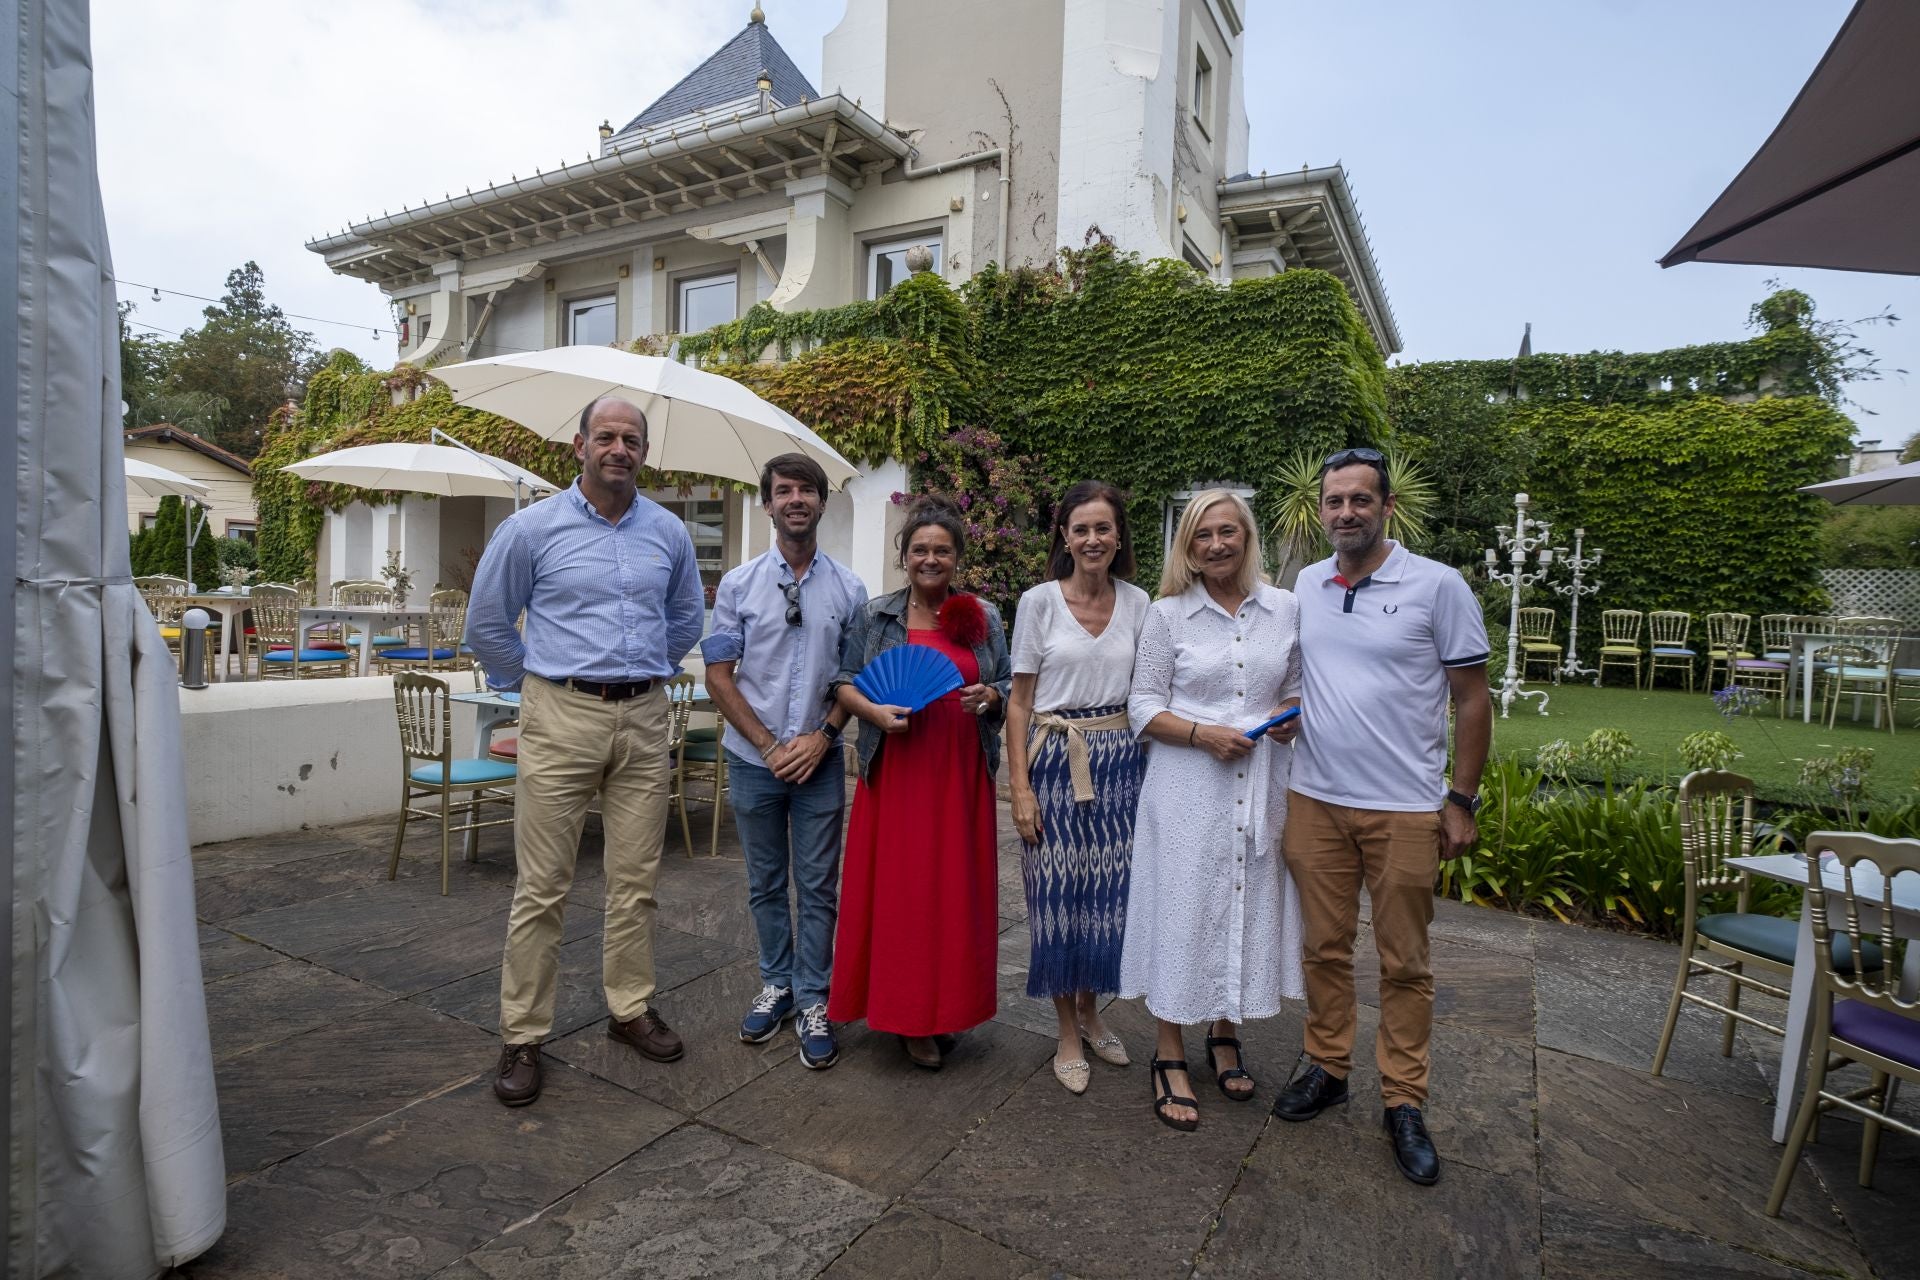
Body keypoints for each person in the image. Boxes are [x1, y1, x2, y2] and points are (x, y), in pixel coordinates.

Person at [465, 395, 705, 1108]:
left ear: (643, 452)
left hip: (642, 716)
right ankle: (523, 1033)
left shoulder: (668, 531)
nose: (619, 449)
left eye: (632, 438)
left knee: (636, 882)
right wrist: (536, 683)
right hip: (560, 713)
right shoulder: (531, 529)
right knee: (542, 887)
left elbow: (687, 613)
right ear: (579, 445)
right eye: (607, 436)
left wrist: (641, 673)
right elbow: (487, 623)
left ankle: (629, 1009)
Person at [1274, 446, 1491, 1188]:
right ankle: (1329, 1067)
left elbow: (1472, 699)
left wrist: (1459, 800)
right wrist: (1286, 716)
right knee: (1323, 950)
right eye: (1334, 501)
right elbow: (1310, 677)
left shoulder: (1438, 586)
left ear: (1386, 506)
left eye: (1359, 501)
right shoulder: (1306, 581)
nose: (1344, 513)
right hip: (1316, 798)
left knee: (1406, 964)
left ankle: (1403, 1100)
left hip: (1403, 808)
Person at [1123, 490, 1305, 1130]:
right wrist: (1204, 734)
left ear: (1247, 537)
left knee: (1243, 899)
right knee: (1184, 906)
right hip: (1186, 786)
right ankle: (1169, 1047)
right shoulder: (1168, 615)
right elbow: (1142, 706)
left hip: (1261, 784)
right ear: (1188, 548)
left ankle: (1224, 1030)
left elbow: (1295, 685)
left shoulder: (1284, 609)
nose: (1217, 545)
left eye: (1228, 532)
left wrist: (1290, 717)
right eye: (1203, 536)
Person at [828, 495, 1010, 1070]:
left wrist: (991, 697)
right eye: (920, 549)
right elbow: (843, 681)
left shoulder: (984, 615)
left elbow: (1004, 683)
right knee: (904, 893)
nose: (930, 559)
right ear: (903, 556)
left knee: (954, 893)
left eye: (943, 550)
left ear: (957, 558)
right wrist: (874, 714)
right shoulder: (876, 615)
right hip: (900, 767)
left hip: (959, 772)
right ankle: (908, 1016)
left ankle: (948, 1007)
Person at [700, 453, 867, 1070]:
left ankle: (815, 999)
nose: (795, 499)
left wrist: (823, 737)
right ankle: (777, 984)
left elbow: (854, 679)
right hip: (753, 760)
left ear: (822, 503)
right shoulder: (738, 586)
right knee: (765, 883)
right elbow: (719, 678)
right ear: (767, 504)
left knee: (819, 887)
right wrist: (770, 747)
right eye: (783, 491)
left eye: (806, 490)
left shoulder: (850, 591)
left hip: (819, 760)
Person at [1005, 482, 1150, 1094]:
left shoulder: (1142, 603)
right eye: (1081, 529)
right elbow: (1017, 705)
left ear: (1119, 538)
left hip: (1121, 761)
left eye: (1103, 529)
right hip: (1054, 758)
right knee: (1057, 898)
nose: (1093, 539)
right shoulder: (1038, 602)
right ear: (1064, 537)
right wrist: (1019, 789)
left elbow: (1150, 694)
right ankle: (1066, 1029)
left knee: (1111, 898)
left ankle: (1093, 1012)